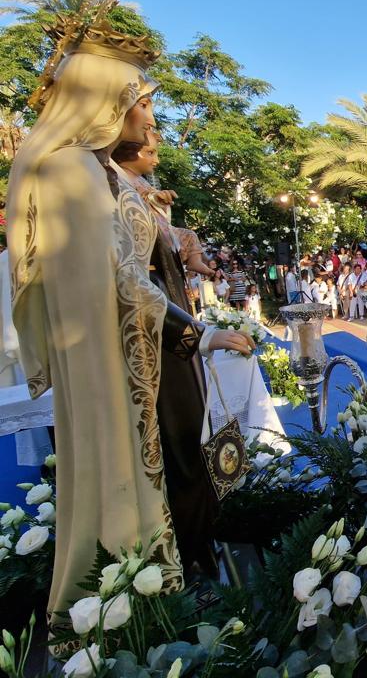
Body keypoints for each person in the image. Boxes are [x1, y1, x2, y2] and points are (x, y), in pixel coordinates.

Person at [7, 33, 253, 618]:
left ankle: (176, 574)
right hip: (119, 361)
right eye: (141, 102)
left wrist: (182, 246)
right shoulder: (71, 171)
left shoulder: (104, 174)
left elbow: (142, 250)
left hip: (146, 351)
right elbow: (120, 284)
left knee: (180, 460)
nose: (149, 116)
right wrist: (203, 335)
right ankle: (138, 605)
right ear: (107, 103)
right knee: (162, 466)